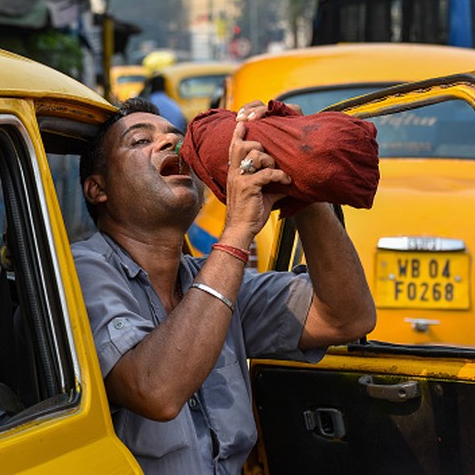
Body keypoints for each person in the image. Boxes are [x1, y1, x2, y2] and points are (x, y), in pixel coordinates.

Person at [72, 97, 376, 474]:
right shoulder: (81, 270)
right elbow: (155, 390)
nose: (170, 144)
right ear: (97, 189)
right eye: (139, 141)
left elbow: (346, 317)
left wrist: (298, 176)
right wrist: (237, 231)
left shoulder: (213, 278)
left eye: (175, 136)